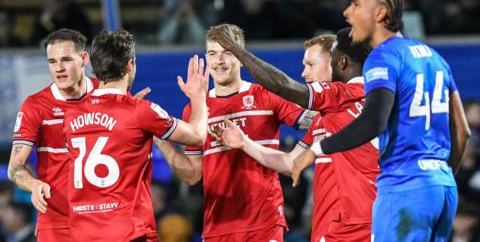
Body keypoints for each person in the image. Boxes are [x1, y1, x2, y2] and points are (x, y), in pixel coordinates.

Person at [290, 0, 471, 241]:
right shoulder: (435, 57)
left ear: (380, 13)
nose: (347, 12)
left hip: (405, 188)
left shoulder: (382, 57)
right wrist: (435, 179)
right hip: (441, 187)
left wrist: (316, 150)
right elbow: (462, 132)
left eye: (355, 4)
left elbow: (372, 122)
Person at [214, 28, 380, 241]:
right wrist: (245, 143)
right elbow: (291, 163)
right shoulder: (329, 116)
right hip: (339, 224)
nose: (304, 73)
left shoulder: (343, 96)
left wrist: (236, 51)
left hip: (352, 225)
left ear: (337, 63)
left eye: (310, 65)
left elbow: (283, 86)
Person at [155, 23, 315, 242]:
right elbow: (192, 175)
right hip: (218, 226)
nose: (218, 61)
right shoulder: (196, 108)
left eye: (227, 53)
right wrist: (161, 139)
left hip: (264, 222)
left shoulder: (266, 95)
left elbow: (317, 122)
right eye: (212, 53)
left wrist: (295, 157)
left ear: (241, 58)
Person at [62, 29, 209, 241]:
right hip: (128, 233)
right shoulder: (140, 111)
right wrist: (198, 96)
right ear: (130, 64)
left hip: (82, 234)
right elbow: (197, 135)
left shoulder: (71, 114)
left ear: (94, 67)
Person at [8, 28, 99, 242]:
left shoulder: (108, 96)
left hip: (103, 217)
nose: (58, 68)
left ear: (84, 58)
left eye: (66, 60)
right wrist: (34, 185)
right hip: (57, 222)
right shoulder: (35, 106)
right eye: (52, 61)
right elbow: (14, 167)